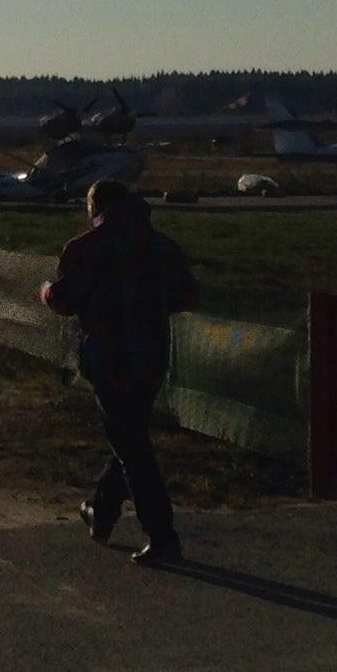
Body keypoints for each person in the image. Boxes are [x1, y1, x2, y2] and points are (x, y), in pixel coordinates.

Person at [40, 180, 200, 566]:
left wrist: (45, 291)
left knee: (132, 448)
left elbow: (65, 300)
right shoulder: (161, 246)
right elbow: (189, 295)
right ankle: (101, 510)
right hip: (152, 358)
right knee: (130, 438)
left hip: (109, 360)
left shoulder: (86, 248)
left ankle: (162, 535)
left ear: (95, 207)